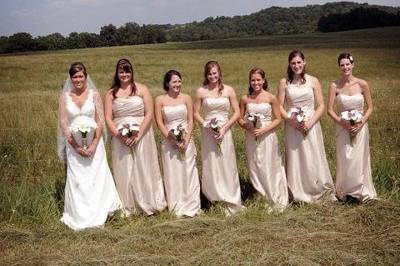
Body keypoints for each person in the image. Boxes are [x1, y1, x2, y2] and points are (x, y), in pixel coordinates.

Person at [57, 62, 120, 230]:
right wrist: (76, 146)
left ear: (86, 77)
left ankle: (101, 211)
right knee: (78, 179)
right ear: (70, 78)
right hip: (74, 146)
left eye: (81, 76)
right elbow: (64, 123)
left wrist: (93, 144)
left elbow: (100, 121)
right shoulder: (65, 97)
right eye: (75, 76)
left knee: (95, 176)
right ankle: (79, 214)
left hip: (94, 144)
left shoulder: (94, 94)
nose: (78, 79)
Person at [104, 58, 166, 216]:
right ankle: (128, 204)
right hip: (120, 138)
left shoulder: (142, 89)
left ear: (132, 72)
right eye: (121, 71)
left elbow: (149, 113)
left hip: (142, 135)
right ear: (117, 73)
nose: (124, 74)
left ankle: (148, 201)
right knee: (125, 169)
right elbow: (108, 118)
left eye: (127, 71)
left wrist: (137, 134)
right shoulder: (111, 94)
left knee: (143, 167)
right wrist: (120, 136)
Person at [277, 50, 335, 203]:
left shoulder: (313, 80)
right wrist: (292, 121)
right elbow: (279, 107)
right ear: (289, 65)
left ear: (304, 62)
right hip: (293, 125)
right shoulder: (284, 83)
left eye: (299, 62)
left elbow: (321, 105)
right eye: (293, 63)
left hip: (311, 123)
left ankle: (317, 188)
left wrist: (310, 122)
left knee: (312, 154)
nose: (296, 66)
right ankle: (297, 191)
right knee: (296, 156)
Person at [194, 60, 244, 215]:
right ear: (206, 75)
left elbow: (236, 112)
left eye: (215, 73)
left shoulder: (229, 90)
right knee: (212, 164)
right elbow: (195, 113)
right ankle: (215, 198)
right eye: (209, 74)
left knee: (227, 163)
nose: (212, 76)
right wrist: (206, 125)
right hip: (209, 134)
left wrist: (224, 128)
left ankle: (231, 197)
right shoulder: (201, 91)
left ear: (219, 73)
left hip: (225, 131)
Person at [327, 53, 377, 202]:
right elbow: (329, 110)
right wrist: (342, 123)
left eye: (347, 64)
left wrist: (360, 123)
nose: (345, 67)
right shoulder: (334, 86)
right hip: (342, 128)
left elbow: (370, 107)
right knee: (345, 158)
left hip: (360, 128)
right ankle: (345, 192)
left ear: (352, 65)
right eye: (342, 65)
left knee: (358, 158)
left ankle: (360, 191)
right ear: (339, 67)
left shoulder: (362, 84)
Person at [238, 67, 288, 210]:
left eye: (258, 79)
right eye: (253, 80)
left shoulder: (271, 97)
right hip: (251, 136)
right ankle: (260, 194)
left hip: (267, 136)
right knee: (255, 165)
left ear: (264, 80)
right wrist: (248, 126)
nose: (256, 83)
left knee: (269, 164)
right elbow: (239, 119)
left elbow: (278, 119)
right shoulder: (245, 99)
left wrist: (264, 129)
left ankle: (274, 194)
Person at [154, 70, 201, 217]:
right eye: (174, 82)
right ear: (167, 83)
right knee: (172, 172)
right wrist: (171, 139)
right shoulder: (159, 100)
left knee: (189, 171)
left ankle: (193, 205)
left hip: (186, 140)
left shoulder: (186, 98)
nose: (177, 84)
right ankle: (177, 205)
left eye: (179, 81)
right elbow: (159, 122)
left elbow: (191, 120)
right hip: (169, 141)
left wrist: (186, 138)